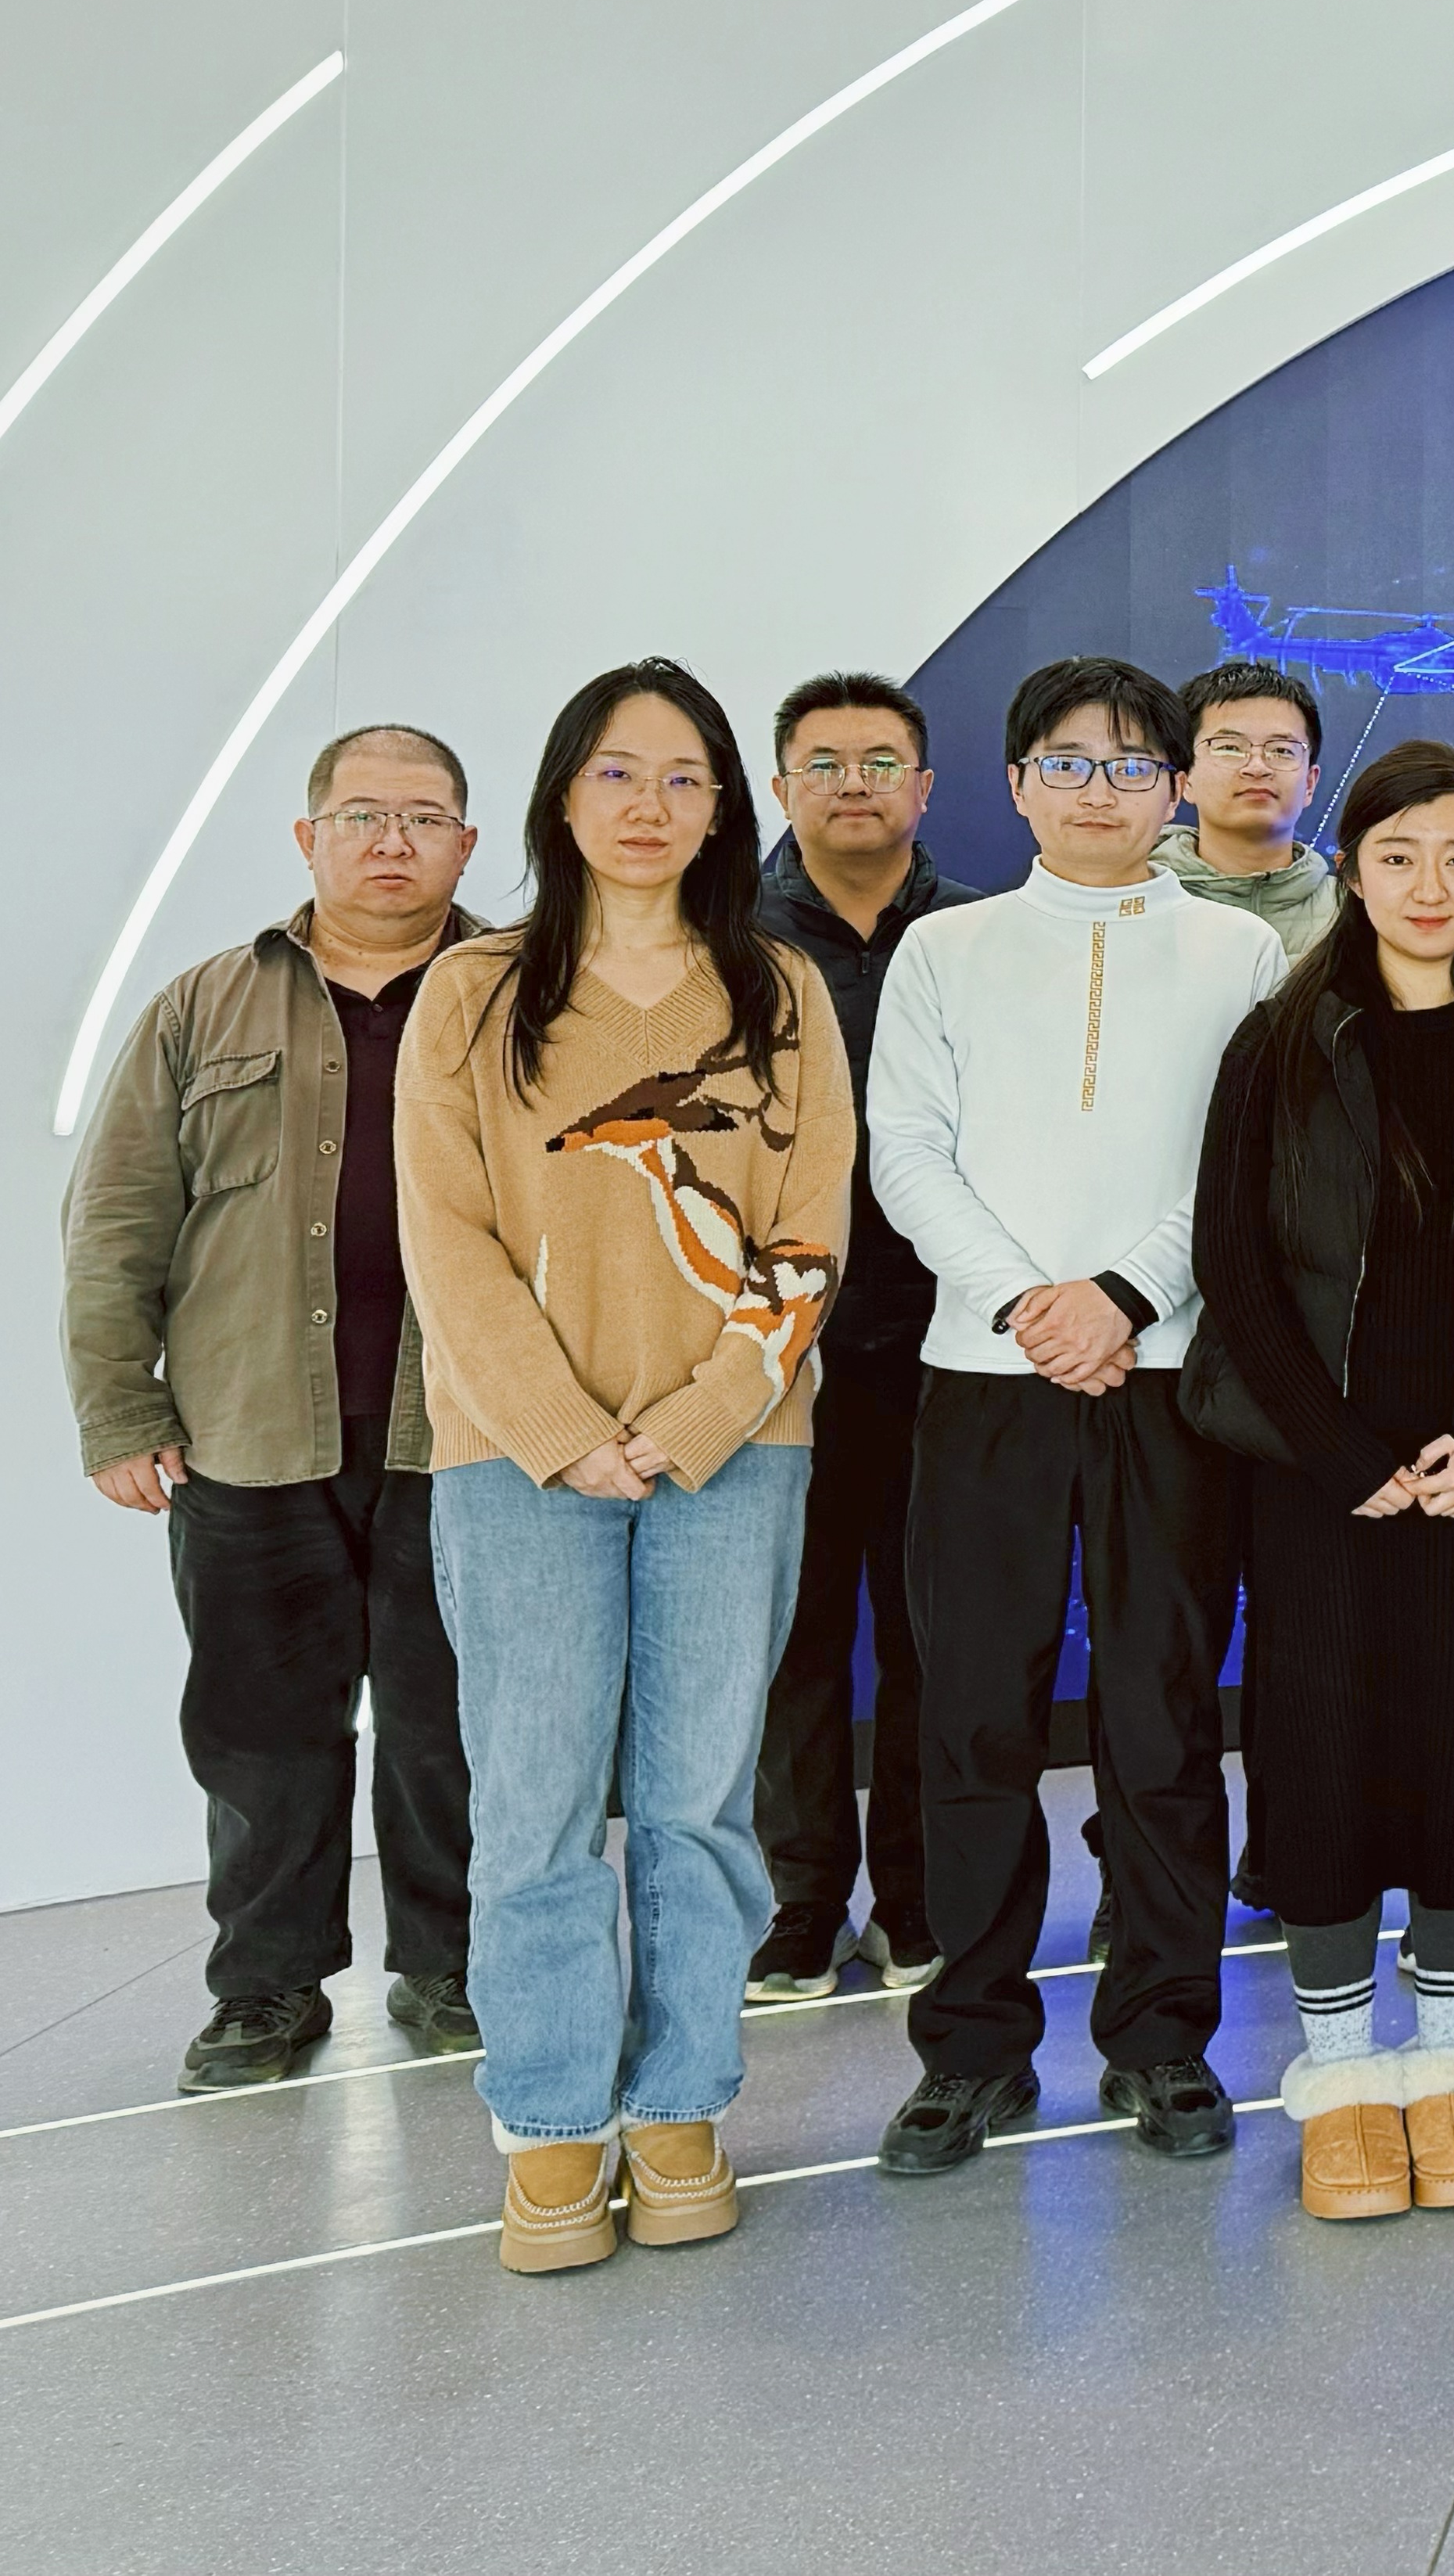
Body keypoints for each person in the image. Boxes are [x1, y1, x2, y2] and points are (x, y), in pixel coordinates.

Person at [396, 663, 853, 2274]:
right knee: (530, 1807)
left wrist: (702, 1415)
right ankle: (547, 2123)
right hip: (517, 1465)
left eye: (681, 776)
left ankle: (679, 2105)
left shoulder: (778, 991)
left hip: (737, 1452)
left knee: (698, 1801)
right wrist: (564, 1428)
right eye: (614, 772)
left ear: (723, 806)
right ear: (560, 796)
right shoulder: (473, 993)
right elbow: (446, 1238)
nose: (647, 804)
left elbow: (808, 1234)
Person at [865, 658, 1287, 2180]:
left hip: (1168, 1380)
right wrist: (1027, 1304)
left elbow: (1245, 1162)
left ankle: (1163, 2035)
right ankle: (970, 2046)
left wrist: (1121, 1294)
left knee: (1161, 1720)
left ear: (1172, 785)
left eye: (1128, 763)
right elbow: (905, 1149)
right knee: (973, 1717)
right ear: (1016, 782)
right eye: (1066, 761)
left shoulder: (1240, 951)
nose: (1097, 789)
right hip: (985, 1379)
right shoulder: (944, 949)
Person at [1189, 742, 1454, 2222]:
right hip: (1323, 1479)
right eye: (1398, 856)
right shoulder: (1278, 1041)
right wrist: (1337, 1451)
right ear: (1351, 868)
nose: (1430, 886)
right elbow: (1233, 1263)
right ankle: (1340, 2078)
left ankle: (1447, 2064)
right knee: (1320, 1756)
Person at [66, 725, 486, 2095]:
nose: (391, 840)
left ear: (467, 843)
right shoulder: (203, 1004)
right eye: (361, 813)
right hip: (246, 1435)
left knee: (451, 1731)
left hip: (466, 1435)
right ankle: (264, 1987)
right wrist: (118, 1408)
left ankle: (454, 1966)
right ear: (308, 837)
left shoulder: (516, 992)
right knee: (258, 1738)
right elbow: (117, 1217)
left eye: (423, 816)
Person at [745, 673, 976, 2003]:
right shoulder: (728, 941)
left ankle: (920, 1894)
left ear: (923, 788)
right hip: (778, 1347)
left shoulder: (979, 933)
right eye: (823, 762)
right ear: (782, 786)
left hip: (949, 1338)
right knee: (796, 1632)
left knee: (936, 1628)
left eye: (881, 761)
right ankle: (802, 1901)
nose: (853, 783)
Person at [1154, 661, 1338, 952]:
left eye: (1281, 750)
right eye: (1229, 747)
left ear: (1309, 784)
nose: (1257, 767)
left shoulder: (1360, 917)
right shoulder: (1132, 901)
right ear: (1184, 778)